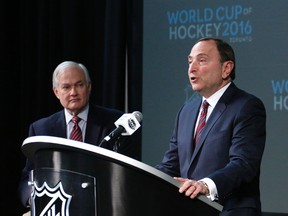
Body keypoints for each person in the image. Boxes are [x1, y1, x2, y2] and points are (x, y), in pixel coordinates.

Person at [155, 37, 266, 216]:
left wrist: (205, 185)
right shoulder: (186, 111)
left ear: (226, 68)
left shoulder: (246, 106)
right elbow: (171, 165)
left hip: (229, 211)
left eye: (202, 60)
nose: (192, 68)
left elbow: (243, 164)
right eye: (190, 61)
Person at [18, 61, 136, 208]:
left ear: (89, 87)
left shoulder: (115, 123)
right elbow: (28, 178)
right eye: (66, 87)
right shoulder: (41, 129)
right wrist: (34, 198)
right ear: (56, 92)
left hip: (101, 206)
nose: (73, 92)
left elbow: (126, 176)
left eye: (79, 85)